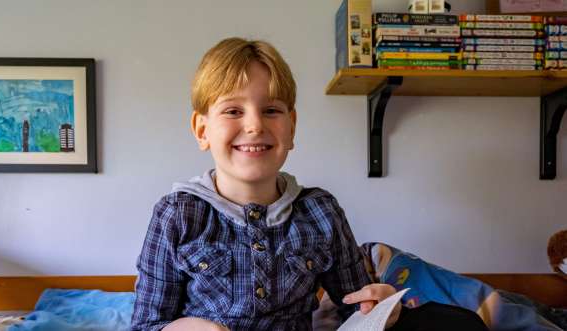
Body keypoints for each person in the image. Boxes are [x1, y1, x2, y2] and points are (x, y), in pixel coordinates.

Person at [131, 37, 488, 331]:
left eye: (271, 110)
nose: (254, 125)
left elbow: (354, 305)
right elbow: (146, 324)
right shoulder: (177, 214)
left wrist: (380, 308)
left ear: (292, 126)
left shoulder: (320, 211)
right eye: (233, 111)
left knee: (457, 324)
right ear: (201, 129)